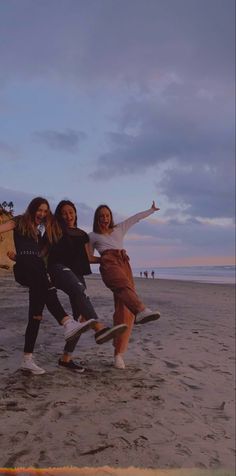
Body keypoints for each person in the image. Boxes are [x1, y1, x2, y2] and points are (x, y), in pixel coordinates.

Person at [0, 197, 94, 375]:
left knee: (36, 315)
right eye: (39, 210)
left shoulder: (38, 232)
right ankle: (66, 322)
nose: (42, 214)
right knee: (48, 286)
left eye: (45, 211)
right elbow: (2, 228)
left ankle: (27, 359)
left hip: (35, 268)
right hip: (26, 269)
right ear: (32, 209)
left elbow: (40, 254)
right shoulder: (19, 220)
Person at [47, 200, 127, 370]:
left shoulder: (83, 235)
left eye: (71, 212)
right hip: (58, 269)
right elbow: (42, 250)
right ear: (59, 216)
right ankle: (99, 327)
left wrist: (110, 257)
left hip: (76, 274)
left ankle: (66, 359)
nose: (68, 216)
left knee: (79, 318)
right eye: (64, 213)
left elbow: (89, 258)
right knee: (78, 289)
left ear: (75, 213)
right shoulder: (54, 230)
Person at [88, 201, 161, 370]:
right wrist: (104, 258)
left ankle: (118, 355)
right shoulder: (92, 236)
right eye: (101, 216)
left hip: (124, 263)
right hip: (109, 264)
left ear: (110, 217)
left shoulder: (119, 228)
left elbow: (136, 218)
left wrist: (150, 210)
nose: (104, 218)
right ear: (96, 219)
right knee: (121, 285)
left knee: (124, 311)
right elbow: (88, 258)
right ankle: (142, 310)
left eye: (107, 215)